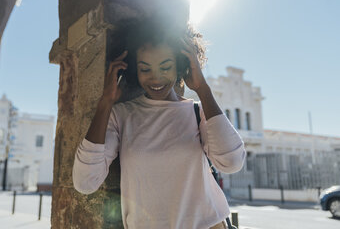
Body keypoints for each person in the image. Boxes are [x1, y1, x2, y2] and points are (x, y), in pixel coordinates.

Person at [72, 17, 246, 229]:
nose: (156, 78)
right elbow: (85, 182)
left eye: (166, 67)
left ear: (181, 66)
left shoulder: (197, 111)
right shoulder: (122, 115)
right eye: (145, 69)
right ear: (134, 70)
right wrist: (105, 102)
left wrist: (203, 89)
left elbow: (233, 162)